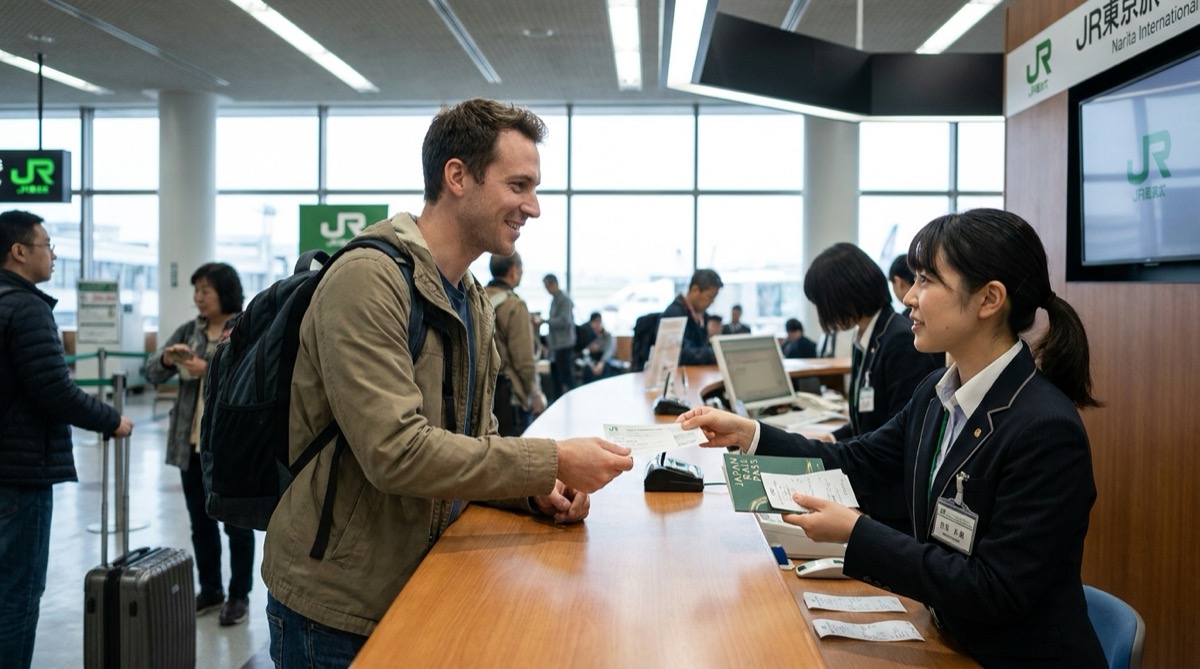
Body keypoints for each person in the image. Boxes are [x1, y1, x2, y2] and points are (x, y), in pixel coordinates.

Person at [261, 98, 633, 667]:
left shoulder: (470, 297)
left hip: (426, 581)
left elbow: (472, 442)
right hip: (340, 610)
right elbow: (396, 453)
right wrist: (550, 460)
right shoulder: (368, 281)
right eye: (519, 185)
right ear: (457, 176)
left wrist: (531, 492)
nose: (532, 208)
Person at [679, 208, 1106, 668]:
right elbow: (857, 461)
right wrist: (753, 434)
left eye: (927, 281)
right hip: (949, 637)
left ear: (989, 299)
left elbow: (994, 590)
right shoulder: (936, 395)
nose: (910, 299)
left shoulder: (1045, 430)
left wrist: (857, 534)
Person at [0, 209, 134, 669]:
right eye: (47, 245)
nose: (53, 255)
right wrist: (110, 419)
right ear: (19, 252)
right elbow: (53, 390)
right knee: (16, 596)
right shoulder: (27, 307)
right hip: (18, 474)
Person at [144, 262, 254, 626]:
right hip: (190, 444)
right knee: (199, 522)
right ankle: (211, 589)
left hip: (230, 444)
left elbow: (257, 374)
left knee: (237, 524)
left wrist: (208, 369)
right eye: (196, 290)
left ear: (225, 290)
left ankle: (239, 594)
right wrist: (165, 358)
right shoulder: (190, 331)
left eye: (206, 289)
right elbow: (150, 371)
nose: (199, 297)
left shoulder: (246, 325)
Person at [803, 242, 941, 529]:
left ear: (840, 296)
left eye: (820, 302)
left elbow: (898, 438)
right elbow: (867, 422)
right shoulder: (867, 338)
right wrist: (830, 439)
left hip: (890, 507)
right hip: (869, 486)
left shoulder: (901, 341)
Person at [485, 251, 544, 436]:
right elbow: (524, 359)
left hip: (482, 392)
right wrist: (535, 394)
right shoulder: (514, 306)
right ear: (514, 271)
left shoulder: (477, 297)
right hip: (509, 395)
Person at [662, 268, 723, 365]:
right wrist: (712, 352)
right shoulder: (674, 314)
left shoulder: (703, 316)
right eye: (709, 297)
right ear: (695, 290)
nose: (712, 302)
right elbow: (680, 354)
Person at [542, 273, 576, 397]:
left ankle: (572, 399)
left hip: (564, 344)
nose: (546, 290)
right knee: (555, 376)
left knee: (567, 377)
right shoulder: (555, 298)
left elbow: (564, 321)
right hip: (556, 345)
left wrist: (544, 321)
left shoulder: (564, 299)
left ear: (553, 284)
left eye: (547, 286)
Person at [580, 311, 618, 384]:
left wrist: (601, 363)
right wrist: (592, 366)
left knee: (606, 367)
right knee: (587, 370)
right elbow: (585, 353)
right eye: (594, 322)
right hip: (591, 362)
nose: (597, 324)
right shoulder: (588, 336)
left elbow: (609, 351)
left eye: (598, 322)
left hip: (604, 361)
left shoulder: (607, 336)